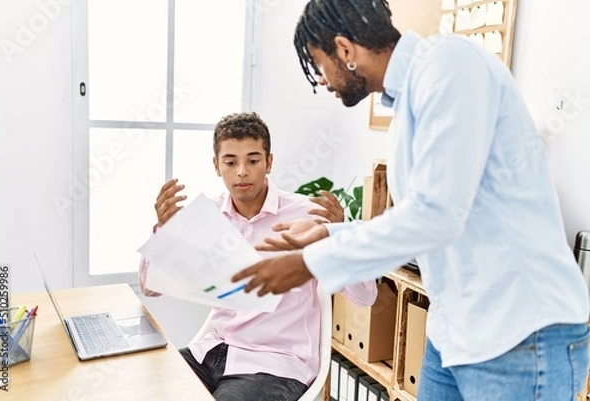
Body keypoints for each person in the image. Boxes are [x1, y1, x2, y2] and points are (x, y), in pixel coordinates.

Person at [231, 1, 590, 400]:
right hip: (455, 331)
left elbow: (436, 215)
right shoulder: (407, 100)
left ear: (345, 50)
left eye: (320, 65)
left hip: (521, 335)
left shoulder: (449, 66)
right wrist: (326, 233)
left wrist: (307, 264)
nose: (324, 82)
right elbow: (416, 218)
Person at [139, 111, 377, 401]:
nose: (242, 171)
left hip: (275, 363)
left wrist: (336, 237)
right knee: (143, 389)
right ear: (217, 165)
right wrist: (163, 232)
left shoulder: (308, 216)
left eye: (252, 160)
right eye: (230, 162)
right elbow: (150, 287)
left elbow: (366, 296)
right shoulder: (206, 217)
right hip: (212, 352)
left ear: (269, 162)